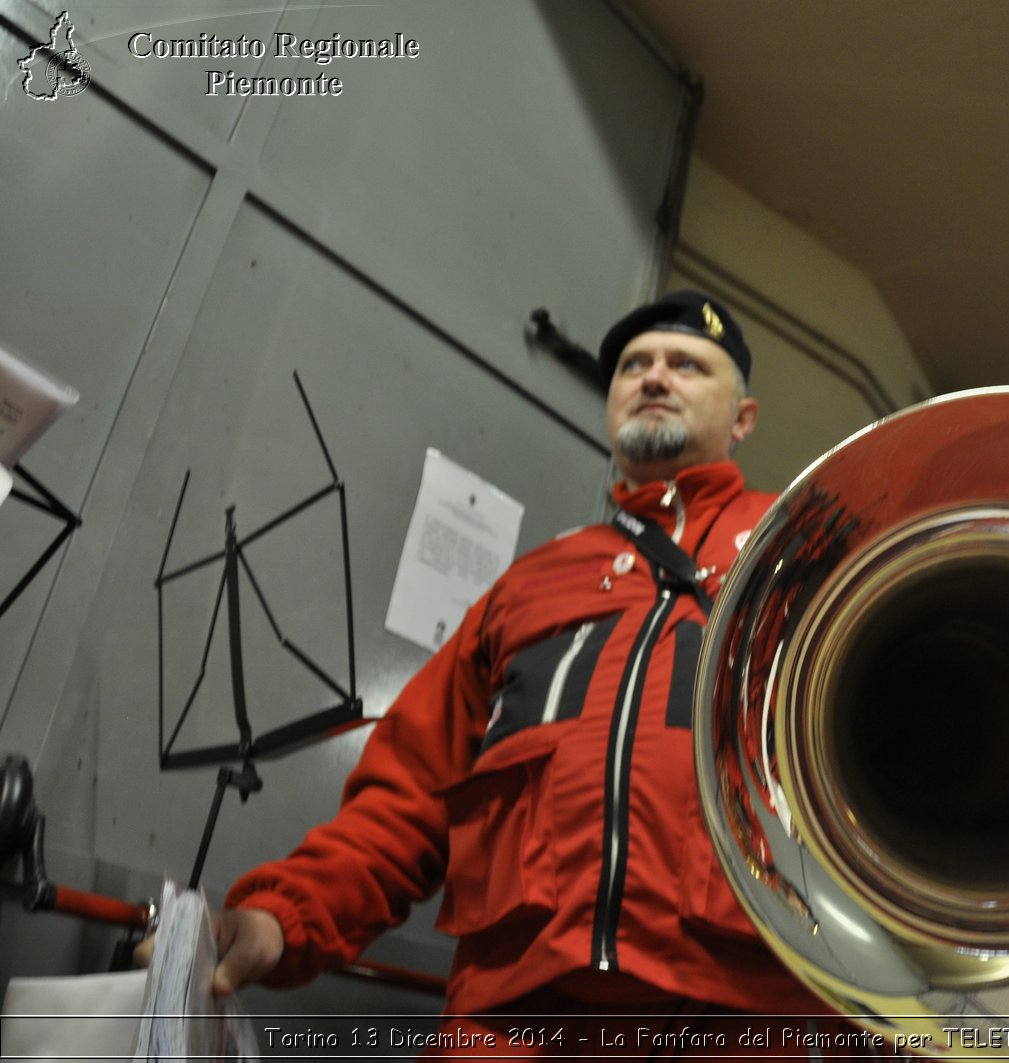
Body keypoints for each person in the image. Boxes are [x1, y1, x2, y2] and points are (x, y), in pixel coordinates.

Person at [198, 291, 875, 1054]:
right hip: (512, 1024)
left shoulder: (810, 555)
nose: (654, 377)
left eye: (686, 364)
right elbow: (408, 799)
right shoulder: (530, 584)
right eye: (633, 367)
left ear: (743, 417)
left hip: (742, 1020)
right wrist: (282, 918)